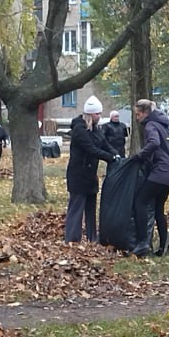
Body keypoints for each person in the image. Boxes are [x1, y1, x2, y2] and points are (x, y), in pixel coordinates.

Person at [128, 99, 169, 257]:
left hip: (161, 172)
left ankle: (143, 242)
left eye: (138, 115)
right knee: (158, 209)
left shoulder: (150, 125)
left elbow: (153, 143)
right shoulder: (162, 124)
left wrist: (139, 156)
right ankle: (164, 246)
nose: (137, 118)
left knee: (140, 201)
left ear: (145, 113)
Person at [64, 95, 119, 242]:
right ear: (90, 114)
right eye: (97, 114)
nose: (99, 116)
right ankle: (72, 239)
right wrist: (110, 157)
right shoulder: (79, 130)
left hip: (90, 175)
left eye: (100, 113)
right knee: (76, 208)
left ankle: (92, 238)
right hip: (78, 174)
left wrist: (116, 154)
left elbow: (104, 144)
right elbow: (91, 149)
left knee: (90, 208)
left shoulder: (96, 129)